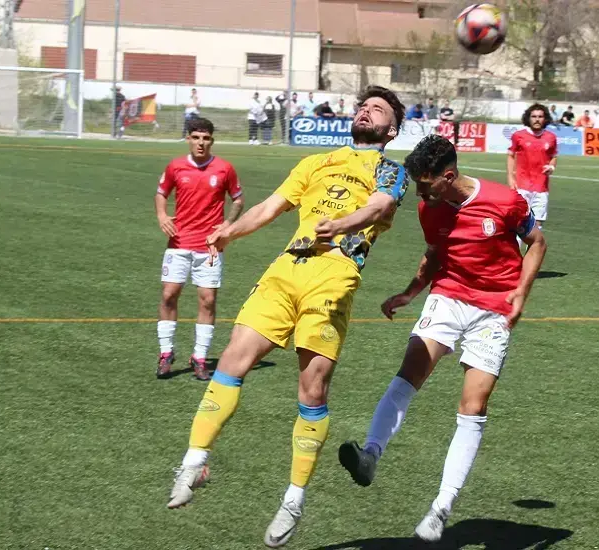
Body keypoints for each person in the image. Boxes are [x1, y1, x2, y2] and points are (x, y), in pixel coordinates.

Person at [165, 86, 408, 549]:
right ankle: (194, 463)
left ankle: (293, 499)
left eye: (376, 109)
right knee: (232, 360)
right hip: (286, 268)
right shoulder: (315, 162)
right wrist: (230, 232)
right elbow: (271, 206)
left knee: (312, 388)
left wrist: (343, 223)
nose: (364, 111)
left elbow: (381, 206)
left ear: (390, 129)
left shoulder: (390, 169)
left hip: (334, 275)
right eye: (362, 106)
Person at [337, 134, 547, 542]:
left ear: (449, 176)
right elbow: (435, 252)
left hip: (494, 309)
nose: (419, 192)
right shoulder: (428, 206)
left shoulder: (506, 202)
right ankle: (370, 455)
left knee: (473, 405)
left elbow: (537, 242)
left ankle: (441, 508)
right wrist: (410, 292)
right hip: (449, 297)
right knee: (408, 374)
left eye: (426, 184)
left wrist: (521, 292)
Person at [155, 117, 244, 381]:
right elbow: (161, 193)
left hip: (209, 248)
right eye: (196, 138)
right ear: (188, 139)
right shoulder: (176, 167)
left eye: (205, 138)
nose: (201, 143)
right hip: (179, 243)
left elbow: (238, 200)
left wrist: (226, 225)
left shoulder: (224, 169)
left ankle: (200, 357)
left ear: (212, 140)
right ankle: (166, 353)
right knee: (169, 295)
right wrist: (162, 216)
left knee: (207, 300)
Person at [507, 104, 557, 249]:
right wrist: (511, 177)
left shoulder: (551, 138)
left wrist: (552, 166)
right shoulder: (519, 136)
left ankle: (529, 265)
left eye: (540, 116)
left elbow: (553, 156)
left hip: (542, 188)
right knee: (518, 226)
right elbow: (511, 156)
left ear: (545, 118)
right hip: (522, 187)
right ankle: (514, 265)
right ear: (528, 118)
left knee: (537, 227)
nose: (537, 119)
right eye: (534, 116)